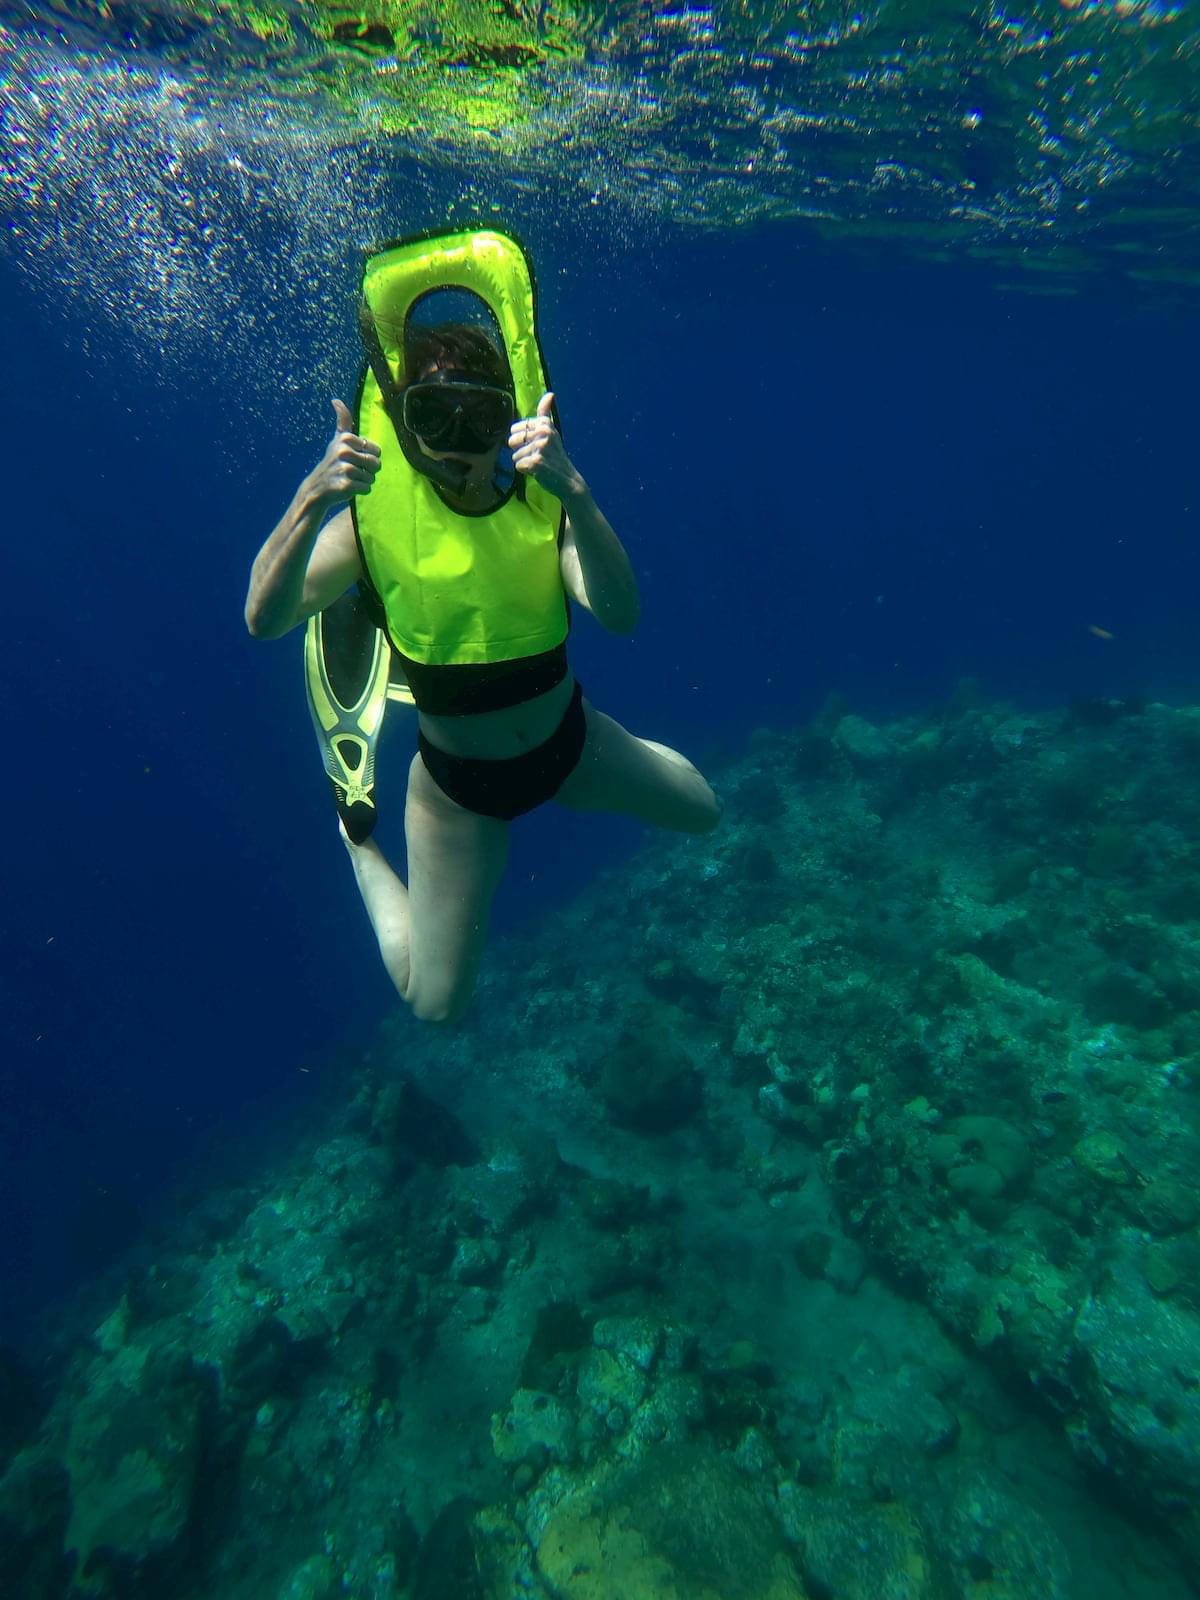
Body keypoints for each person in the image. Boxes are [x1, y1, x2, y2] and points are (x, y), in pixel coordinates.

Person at [245, 230, 720, 1023]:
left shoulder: (541, 507)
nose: (460, 447)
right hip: (456, 796)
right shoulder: (368, 528)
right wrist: (310, 500)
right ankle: (356, 840)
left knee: (706, 813)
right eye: (435, 416)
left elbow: (622, 615)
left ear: (507, 418)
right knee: (432, 1004)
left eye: (479, 418)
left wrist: (579, 499)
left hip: (575, 745)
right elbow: (264, 620)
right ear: (402, 419)